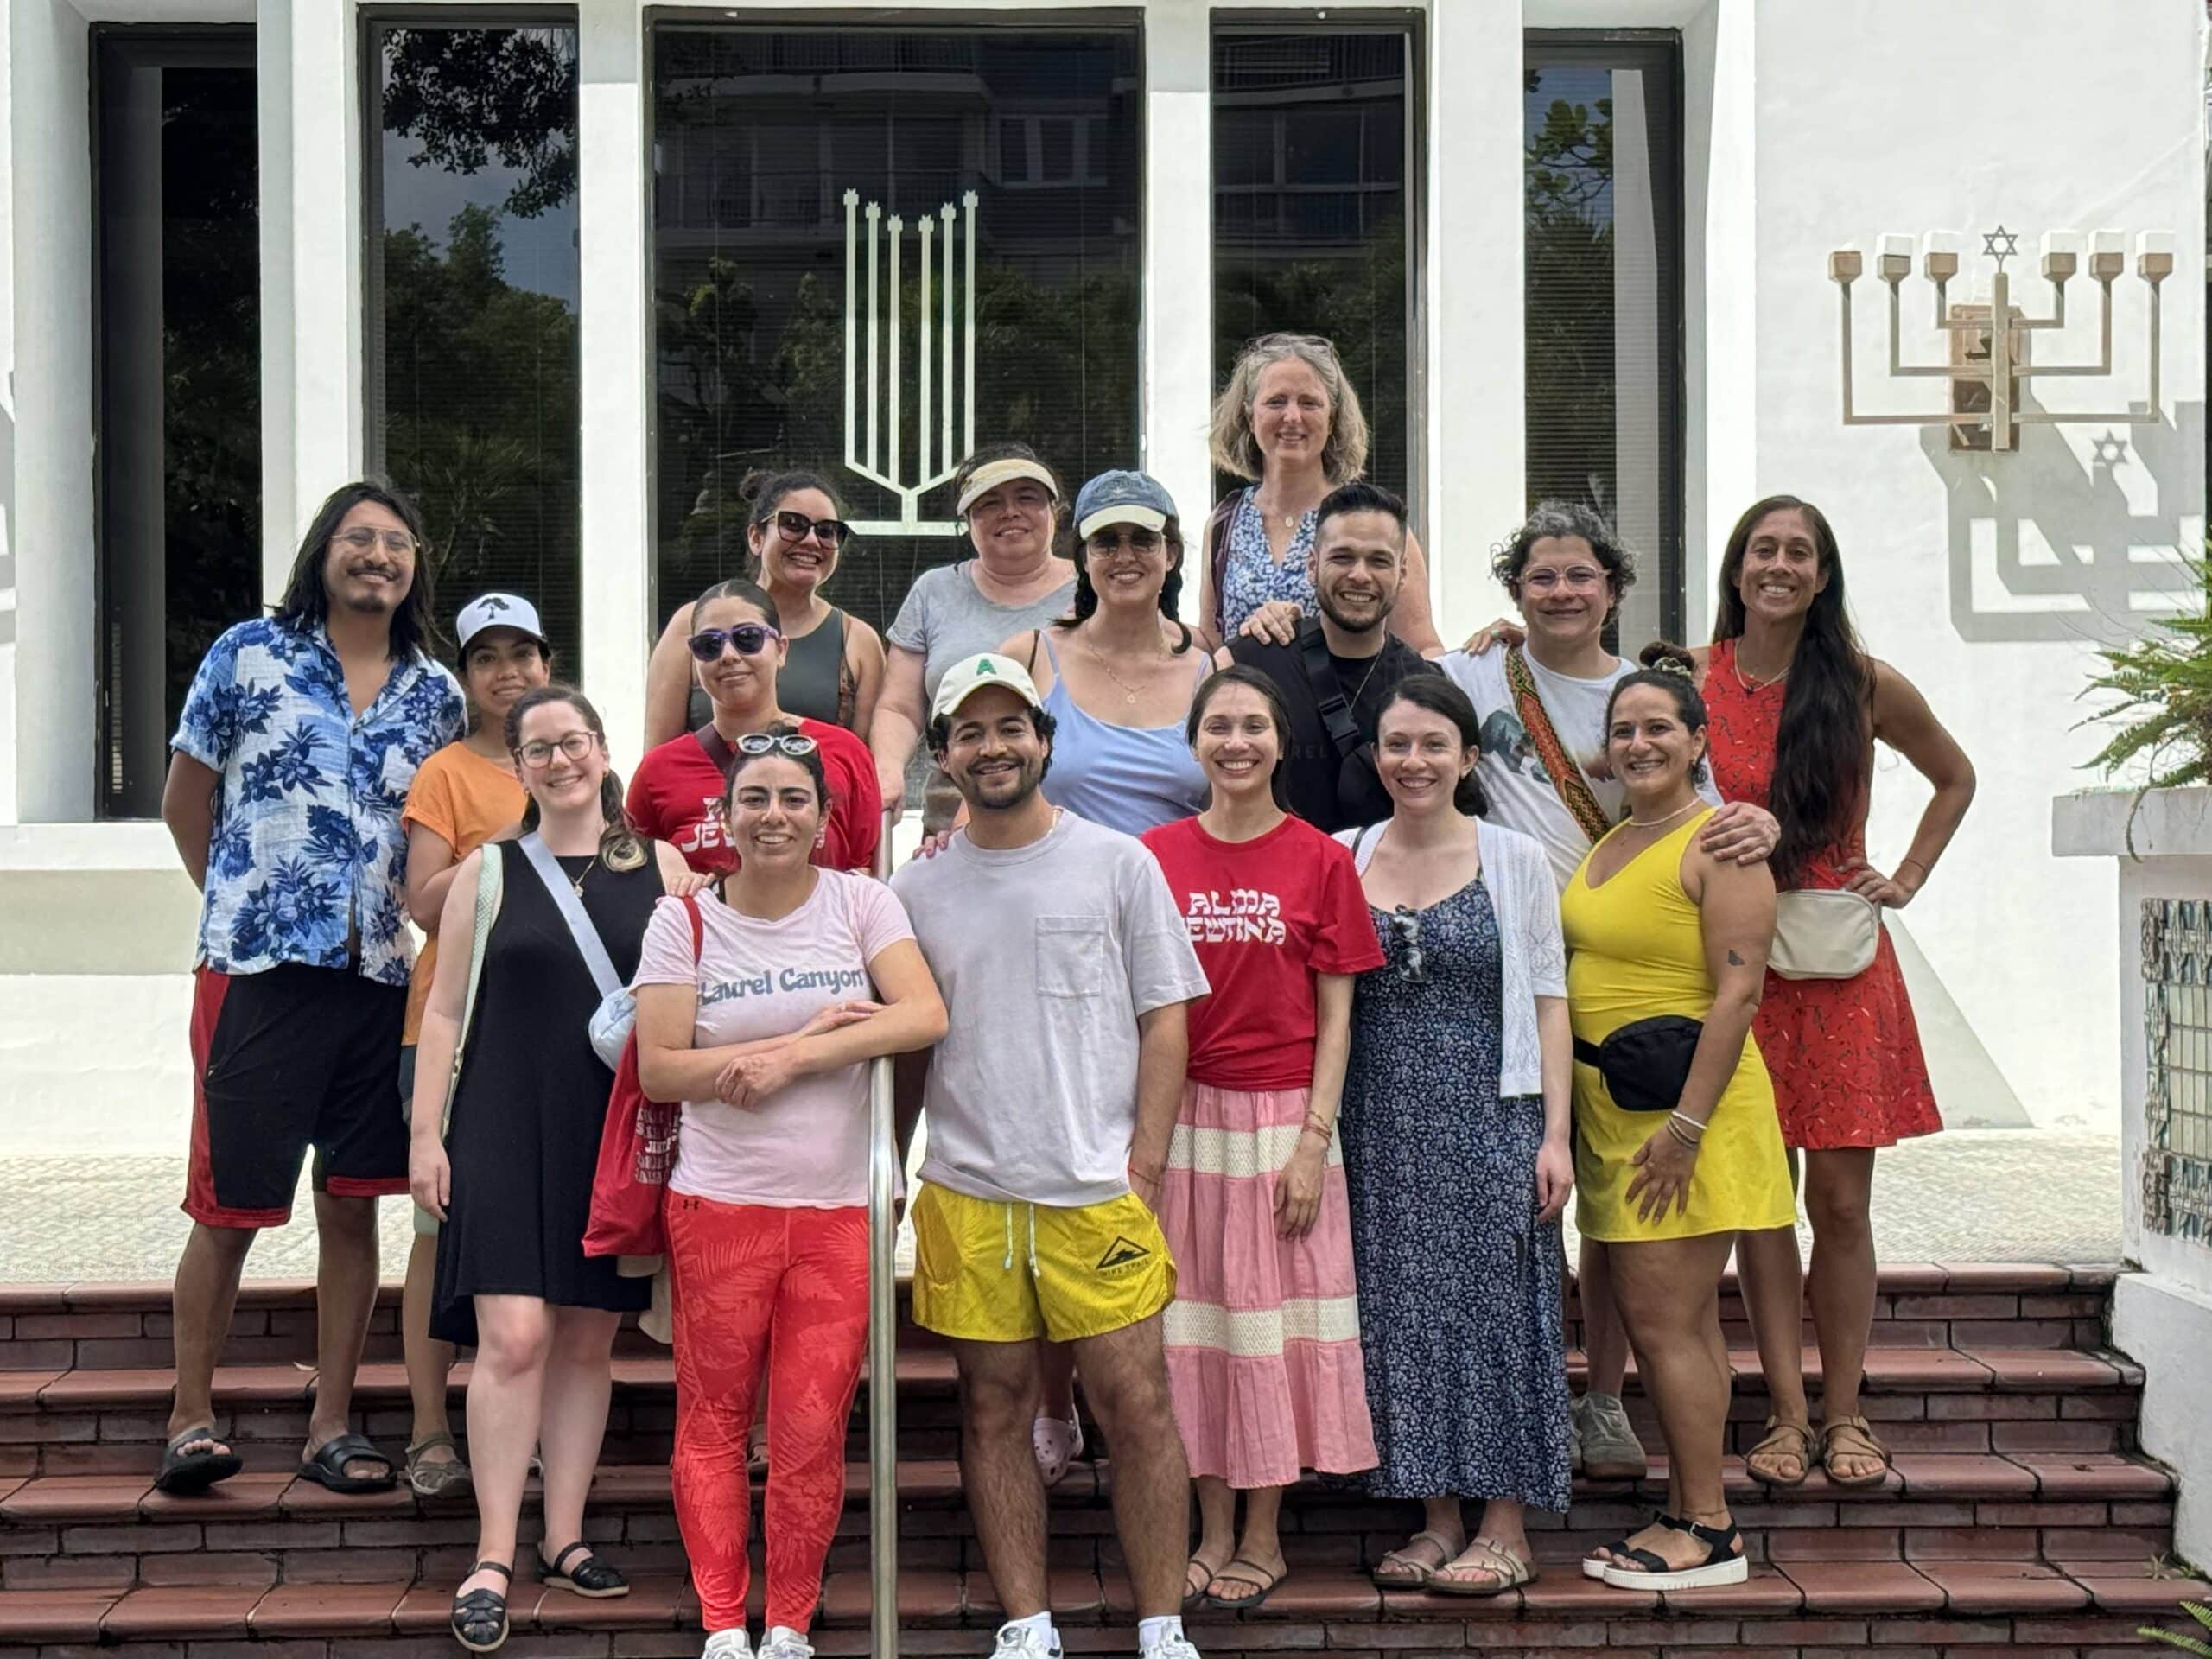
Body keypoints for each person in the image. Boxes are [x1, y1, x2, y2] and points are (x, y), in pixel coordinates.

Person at [1434, 503, 1780, 1484]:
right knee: (1594, 1234)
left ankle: (1678, 1484)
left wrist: (1761, 827)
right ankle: (1593, 1413)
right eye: (1540, 577)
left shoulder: (1652, 715)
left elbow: (1736, 957)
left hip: (1664, 1065)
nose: (1559, 592)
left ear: (1612, 589)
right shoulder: (1474, 675)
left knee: (1664, 1296)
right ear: (1513, 592)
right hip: (1542, 1006)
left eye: (1579, 575)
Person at [890, 653, 1211, 1659]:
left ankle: (1162, 1625)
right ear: (943, 754)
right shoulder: (916, 886)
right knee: (991, 1407)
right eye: (970, 732)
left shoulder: (1119, 862)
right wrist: (893, 1171)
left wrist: (1145, 1167)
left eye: (1011, 727)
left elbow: (1167, 1020)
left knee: (1138, 1404)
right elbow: (907, 1044)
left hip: (1096, 1188)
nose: (993, 747)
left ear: (1044, 738)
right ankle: (1027, 1624)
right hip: (969, 1189)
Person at [156, 479, 463, 1498]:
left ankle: (330, 1422)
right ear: (322, 552)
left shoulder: (438, 694)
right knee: (228, 1207)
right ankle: (190, 1417)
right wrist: (247, 902)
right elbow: (184, 800)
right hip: (256, 971)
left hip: (379, 979)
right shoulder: (248, 652)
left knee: (351, 1208)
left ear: (415, 568)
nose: (379, 556)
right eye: (358, 538)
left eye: (397, 544)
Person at [633, 728, 948, 1659]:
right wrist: (785, 1047)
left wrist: (799, 1054)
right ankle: (724, 1621)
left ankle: (790, 1626)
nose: (774, 816)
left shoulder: (861, 903)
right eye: (755, 799)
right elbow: (659, 1069)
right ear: (722, 817)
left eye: (793, 800)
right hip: (719, 1208)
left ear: (825, 817)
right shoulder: (683, 921)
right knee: (714, 1419)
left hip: (834, 1213)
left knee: (810, 1430)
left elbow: (924, 1013)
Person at [1690, 497, 1974, 1491]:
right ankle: (1784, 1414)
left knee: (1841, 1204)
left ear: (1821, 575)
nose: (1777, 565)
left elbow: (1953, 776)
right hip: (1735, 967)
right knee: (1763, 1205)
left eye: (1797, 552)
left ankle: (1846, 1413)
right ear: (1736, 570)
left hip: (1841, 965)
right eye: (1762, 549)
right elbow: (1615, 757)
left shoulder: (1861, 683)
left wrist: (1905, 875)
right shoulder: (1691, 678)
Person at [410, 686, 696, 1652]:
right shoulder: (484, 873)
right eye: (539, 749)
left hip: (611, 1134)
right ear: (519, 767)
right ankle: (492, 1552)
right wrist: (424, 1136)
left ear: (604, 750)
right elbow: (444, 1011)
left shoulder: (661, 865)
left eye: (573, 742)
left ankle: (564, 1539)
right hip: (498, 1123)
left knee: (584, 1342)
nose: (560, 760)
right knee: (516, 1338)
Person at [1139, 667, 1382, 1610]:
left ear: (1279, 743)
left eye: (1252, 726)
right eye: (1217, 727)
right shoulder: (1153, 856)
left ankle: (1262, 1535)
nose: (1235, 742)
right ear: (1194, 744)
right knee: (1189, 1330)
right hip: (1183, 1115)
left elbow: (1339, 1019)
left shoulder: (1319, 859)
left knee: (1273, 1334)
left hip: (1283, 1120)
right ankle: (1204, 1527)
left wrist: (1314, 1142)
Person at [1334, 678, 1574, 1595]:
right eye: (1396, 744)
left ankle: (1505, 1524)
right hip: (1380, 1126)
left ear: (1468, 758)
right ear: (1376, 757)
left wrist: (1554, 1136)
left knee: (1499, 1314)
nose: (1414, 761)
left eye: (1434, 744)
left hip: (1492, 1115)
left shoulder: (1512, 858)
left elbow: (1551, 1001)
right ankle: (1434, 1516)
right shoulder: (1342, 855)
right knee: (1400, 1318)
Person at [1560, 652, 1795, 1592]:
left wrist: (1687, 1130)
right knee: (1679, 1324)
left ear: (1699, 741)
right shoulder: (1614, 837)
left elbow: (1738, 995)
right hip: (1621, 1115)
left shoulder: (1720, 842)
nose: (1640, 741)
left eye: (1660, 726)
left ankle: (1706, 1525)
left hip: (1686, 1119)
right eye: (1625, 730)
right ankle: (1693, 1506)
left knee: (1665, 1324)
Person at [396, 593, 554, 1500]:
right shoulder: (447, 773)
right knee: (435, 1230)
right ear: (465, 676)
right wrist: (516, 836)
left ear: (546, 661)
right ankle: (427, 1427)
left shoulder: (579, 763)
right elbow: (421, 901)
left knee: (541, 1240)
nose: (508, 672)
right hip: (449, 1033)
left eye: (522, 654)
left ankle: (522, 1424)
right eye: (487, 657)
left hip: (546, 1037)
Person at [870, 444, 1079, 829]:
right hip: (950, 825)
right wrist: (887, 770)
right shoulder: (933, 591)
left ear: (1056, 510)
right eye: (989, 503)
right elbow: (899, 707)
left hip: (1071, 814)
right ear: (967, 520)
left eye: (1027, 497)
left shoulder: (1092, 592)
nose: (1010, 511)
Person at [1200, 333, 1441, 654]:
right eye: (1276, 401)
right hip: (1245, 704)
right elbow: (1210, 647)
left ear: (1333, 417)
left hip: (1350, 704)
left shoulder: (1372, 520)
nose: (1292, 417)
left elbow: (1422, 648)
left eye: (1309, 403)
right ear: (1248, 414)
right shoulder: (1224, 521)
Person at [1222, 481, 1439, 833]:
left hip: (1383, 885)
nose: (1359, 575)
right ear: (1312, 565)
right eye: (1342, 557)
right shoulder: (1245, 666)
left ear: (1401, 575)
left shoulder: (1425, 686)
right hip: (1275, 883)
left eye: (1379, 561)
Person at [1003, 470, 1211, 836]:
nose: (1125, 556)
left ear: (1171, 555)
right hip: (1061, 886)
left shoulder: (1207, 667)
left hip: (1175, 888)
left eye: (1144, 540)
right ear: (1084, 559)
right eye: (1107, 542)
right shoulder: (1029, 657)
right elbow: (984, 777)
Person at [629, 578, 881, 879]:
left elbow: (866, 877)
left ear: (781, 650)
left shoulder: (846, 752)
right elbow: (638, 880)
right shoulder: (658, 770)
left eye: (747, 638)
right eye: (709, 645)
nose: (728, 656)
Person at [643, 469, 886, 743]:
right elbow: (658, 761)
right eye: (793, 524)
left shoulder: (858, 641)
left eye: (827, 531)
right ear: (756, 538)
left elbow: (863, 771)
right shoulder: (693, 624)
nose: (811, 540)